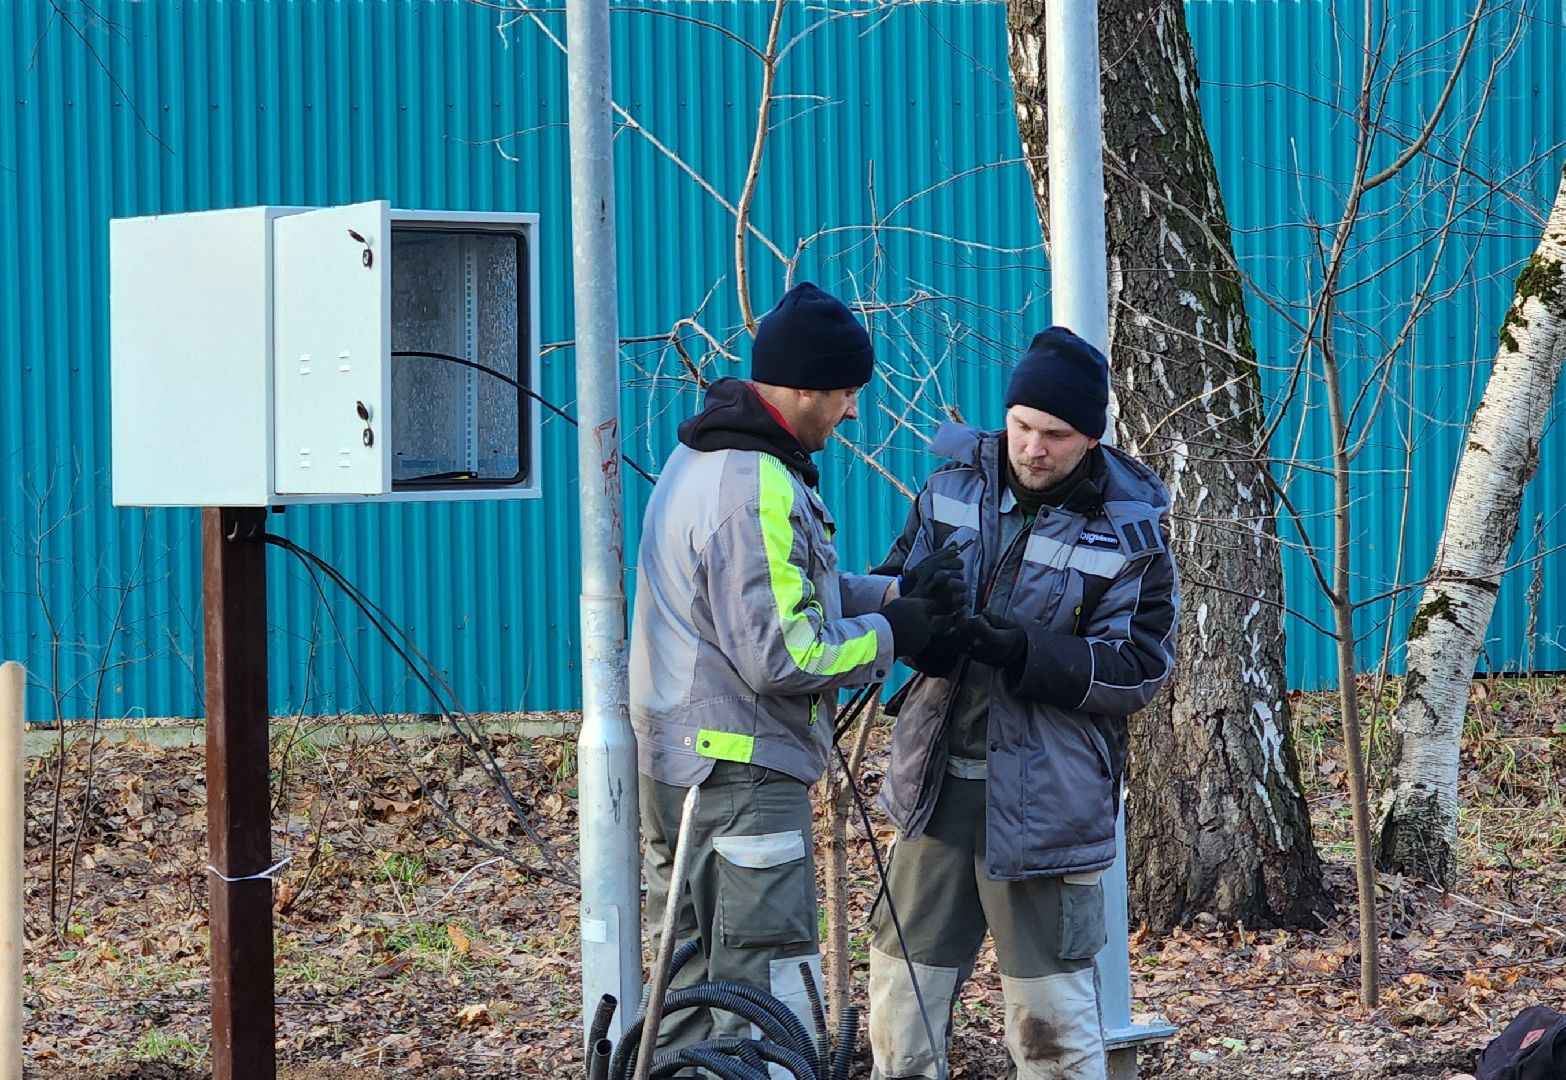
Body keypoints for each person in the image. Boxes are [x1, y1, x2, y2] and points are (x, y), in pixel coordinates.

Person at [629, 281, 964, 1050]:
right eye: (847, 392)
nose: (853, 412)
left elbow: (785, 595)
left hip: (687, 765)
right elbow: (784, 653)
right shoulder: (754, 487)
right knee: (762, 991)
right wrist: (893, 632)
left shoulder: (708, 456)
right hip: (736, 777)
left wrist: (897, 591)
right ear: (806, 386)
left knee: (689, 985)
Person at [865, 327, 1180, 1080]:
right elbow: (887, 592)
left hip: (1046, 810)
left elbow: (1141, 669)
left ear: (1091, 439)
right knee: (898, 1021)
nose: (1033, 448)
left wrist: (1025, 651)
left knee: (1053, 1036)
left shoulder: (1133, 534)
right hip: (933, 796)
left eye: (1056, 435)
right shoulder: (947, 489)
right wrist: (920, 624)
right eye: (1021, 426)